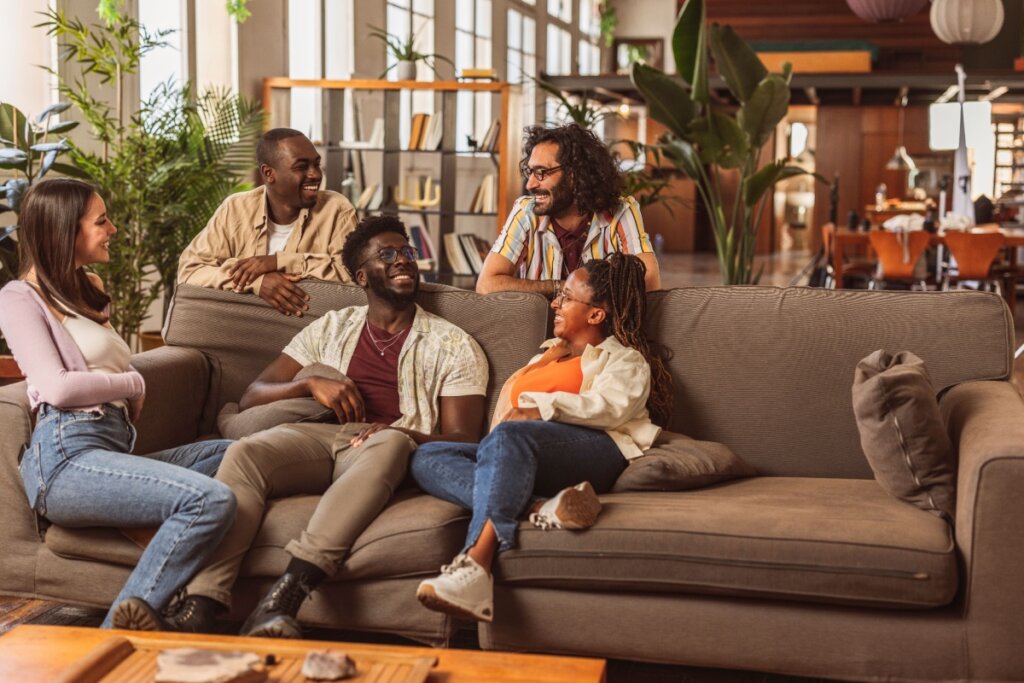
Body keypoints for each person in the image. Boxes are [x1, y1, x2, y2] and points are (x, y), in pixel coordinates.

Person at [114, 215, 490, 638]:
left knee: (387, 445)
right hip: (321, 435)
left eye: (407, 252)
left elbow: (465, 439)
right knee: (245, 453)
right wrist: (309, 383)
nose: (403, 260)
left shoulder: (453, 343)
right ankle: (202, 602)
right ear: (362, 276)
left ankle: (285, 597)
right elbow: (255, 393)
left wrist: (403, 434)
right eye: (387, 254)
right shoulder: (333, 326)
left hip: (390, 446)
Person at [0, 178, 236, 629]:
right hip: (66, 460)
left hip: (110, 450)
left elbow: (95, 373)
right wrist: (131, 384)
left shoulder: (88, 286)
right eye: (101, 221)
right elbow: (58, 388)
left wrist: (125, 386)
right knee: (209, 500)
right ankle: (123, 627)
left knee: (237, 453)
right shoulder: (18, 298)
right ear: (65, 229)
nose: (114, 229)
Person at [413, 252, 672, 622]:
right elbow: (504, 424)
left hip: (598, 450)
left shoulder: (624, 360)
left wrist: (541, 409)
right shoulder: (545, 357)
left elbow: (610, 407)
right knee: (427, 457)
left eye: (566, 297)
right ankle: (541, 507)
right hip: (520, 450)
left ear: (596, 314)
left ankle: (475, 564)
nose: (555, 302)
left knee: (510, 438)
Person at [178, 128, 357, 317]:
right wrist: (257, 282)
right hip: (241, 330)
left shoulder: (337, 209)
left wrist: (279, 262)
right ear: (269, 173)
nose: (315, 175)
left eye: (317, 164)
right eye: (301, 167)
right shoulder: (235, 209)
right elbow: (190, 271)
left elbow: (354, 278)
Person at [477, 124, 661, 297]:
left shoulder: (621, 212)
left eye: (541, 172)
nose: (531, 184)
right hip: (541, 328)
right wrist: (562, 287)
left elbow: (649, 285)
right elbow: (486, 285)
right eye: (530, 172)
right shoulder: (526, 211)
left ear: (574, 175)